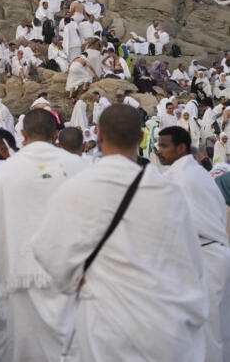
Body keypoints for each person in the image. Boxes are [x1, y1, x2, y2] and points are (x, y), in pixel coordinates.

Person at [32, 105, 207, 361]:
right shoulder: (168, 192)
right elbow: (191, 264)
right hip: (162, 325)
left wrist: (75, 279)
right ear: (140, 138)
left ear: (99, 136)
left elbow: (46, 250)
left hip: (104, 326)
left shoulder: (77, 189)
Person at [0, 109, 88, 361]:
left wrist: (2, 270)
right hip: (71, 271)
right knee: (74, 345)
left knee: (29, 348)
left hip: (23, 271)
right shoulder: (78, 166)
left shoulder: (6, 170)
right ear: (56, 134)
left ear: (22, 133)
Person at [157, 126, 230, 362]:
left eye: (164, 146)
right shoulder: (198, 173)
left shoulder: (180, 178)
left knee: (204, 330)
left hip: (203, 258)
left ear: (180, 148)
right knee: (218, 329)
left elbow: (173, 226)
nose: (159, 151)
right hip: (215, 254)